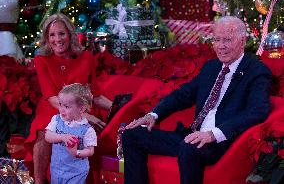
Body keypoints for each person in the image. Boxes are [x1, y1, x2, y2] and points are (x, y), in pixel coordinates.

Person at [122, 16, 272, 184]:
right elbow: (182, 95)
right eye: (217, 40)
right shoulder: (211, 67)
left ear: (242, 41)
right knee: (131, 135)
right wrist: (153, 115)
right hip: (192, 137)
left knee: (190, 148)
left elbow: (257, 111)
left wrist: (213, 134)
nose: (221, 46)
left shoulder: (257, 71)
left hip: (221, 143)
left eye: (227, 40)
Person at [24, 13, 112, 184]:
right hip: (53, 107)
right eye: (52, 35)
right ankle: (39, 181)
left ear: (70, 34)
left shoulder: (86, 58)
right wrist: (83, 116)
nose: (57, 39)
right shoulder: (42, 60)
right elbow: (50, 96)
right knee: (44, 131)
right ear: (47, 38)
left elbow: (96, 96)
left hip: (80, 108)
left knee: (90, 130)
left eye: (61, 33)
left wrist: (119, 107)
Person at [45, 83, 97, 184]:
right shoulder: (56, 120)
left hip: (76, 172)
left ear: (81, 109)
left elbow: (90, 151)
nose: (62, 109)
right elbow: (47, 136)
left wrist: (76, 153)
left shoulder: (87, 130)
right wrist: (62, 137)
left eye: (67, 106)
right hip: (57, 169)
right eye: (60, 104)